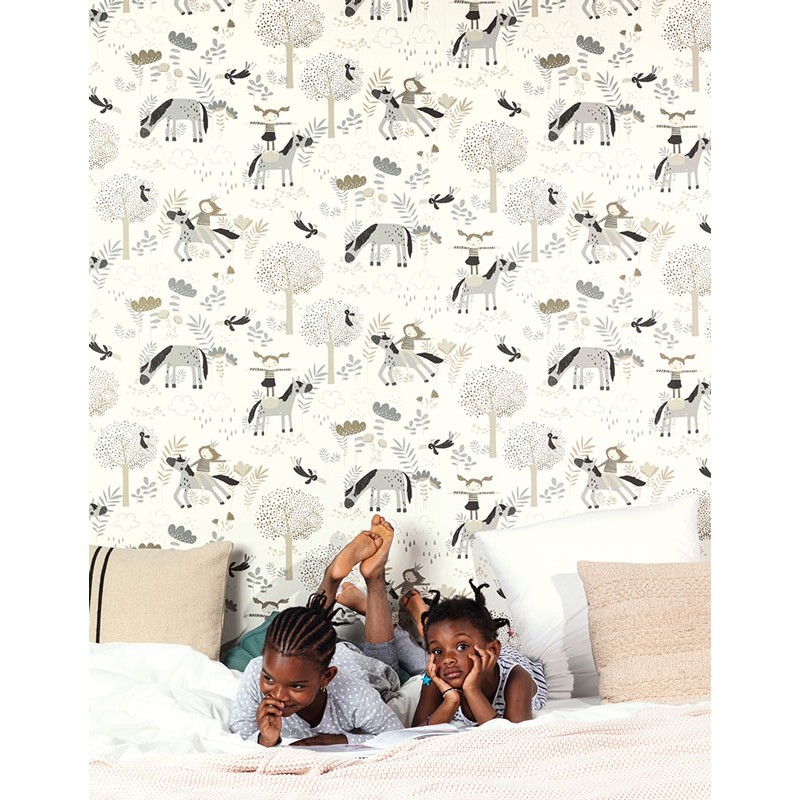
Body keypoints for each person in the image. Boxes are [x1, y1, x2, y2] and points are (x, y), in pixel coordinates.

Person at [229, 520, 406, 747]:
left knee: (384, 662)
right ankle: (331, 576)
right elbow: (240, 733)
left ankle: (374, 577)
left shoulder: (356, 695)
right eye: (269, 678)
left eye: (296, 686)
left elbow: (397, 738)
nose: (279, 695)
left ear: (327, 677)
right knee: (311, 624)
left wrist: (333, 740)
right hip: (310, 655)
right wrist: (266, 739)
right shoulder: (255, 672)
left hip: (356, 665)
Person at [410, 580, 547, 727]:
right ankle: (424, 624)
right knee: (439, 636)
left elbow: (510, 735)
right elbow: (415, 732)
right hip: (482, 658)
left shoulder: (517, 677)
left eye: (462, 646)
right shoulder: (436, 676)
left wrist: (472, 690)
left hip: (509, 659)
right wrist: (451, 701)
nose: (447, 659)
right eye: (438, 651)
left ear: (492, 650)